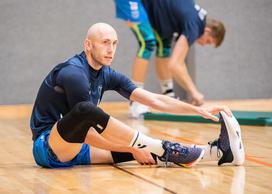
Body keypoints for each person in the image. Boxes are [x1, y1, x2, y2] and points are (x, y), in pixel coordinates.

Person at [30, 23, 243, 169]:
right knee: (86, 111)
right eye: (105, 42)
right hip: (49, 146)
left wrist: (198, 109)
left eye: (114, 43)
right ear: (88, 45)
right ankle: (157, 145)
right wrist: (132, 146)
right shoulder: (74, 73)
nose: (111, 49)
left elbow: (154, 99)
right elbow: (84, 131)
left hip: (77, 151)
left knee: (141, 154)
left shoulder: (106, 74)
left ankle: (217, 153)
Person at [114, 0, 226, 118]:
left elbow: (177, 62)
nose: (203, 44)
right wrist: (195, 92)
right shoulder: (195, 25)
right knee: (147, 42)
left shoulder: (194, 18)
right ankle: (135, 101)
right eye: (208, 41)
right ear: (207, 31)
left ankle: (168, 95)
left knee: (164, 46)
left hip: (154, 10)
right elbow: (175, 65)